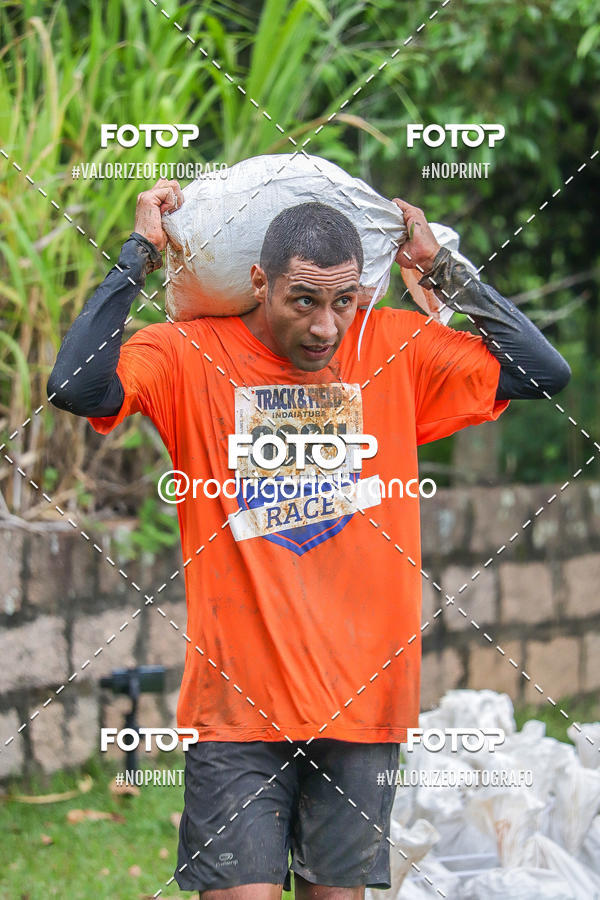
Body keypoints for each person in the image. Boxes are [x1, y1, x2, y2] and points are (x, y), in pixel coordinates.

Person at [47, 176, 570, 899]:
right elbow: (76, 384)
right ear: (259, 283)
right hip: (236, 713)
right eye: (304, 299)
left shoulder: (397, 347)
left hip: (365, 707)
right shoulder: (187, 356)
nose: (326, 326)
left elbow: (542, 372)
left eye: (344, 300)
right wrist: (141, 249)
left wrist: (444, 269)